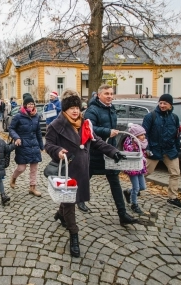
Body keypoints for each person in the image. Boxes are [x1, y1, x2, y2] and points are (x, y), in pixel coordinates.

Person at [45, 89, 124, 257]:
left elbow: (97, 142)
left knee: (69, 200)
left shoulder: (86, 124)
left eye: (77, 107)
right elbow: (48, 144)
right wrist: (57, 151)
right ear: (64, 109)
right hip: (67, 170)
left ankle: (60, 214)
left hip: (82, 169)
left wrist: (113, 151)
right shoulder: (55, 126)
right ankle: (74, 235)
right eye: (71, 108)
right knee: (70, 201)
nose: (75, 111)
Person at [83, 84, 138, 225]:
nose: (110, 96)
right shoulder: (92, 110)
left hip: (109, 152)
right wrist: (107, 131)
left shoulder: (112, 108)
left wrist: (114, 146)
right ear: (99, 95)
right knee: (82, 181)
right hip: (95, 154)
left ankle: (123, 215)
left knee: (115, 183)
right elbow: (90, 129)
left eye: (111, 93)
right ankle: (63, 210)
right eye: (106, 93)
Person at [142, 94, 181, 209]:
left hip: (170, 150)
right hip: (154, 149)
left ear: (170, 105)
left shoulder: (174, 118)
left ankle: (173, 198)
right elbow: (144, 134)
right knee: (145, 172)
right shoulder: (151, 116)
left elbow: (176, 135)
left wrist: (176, 149)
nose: (162, 105)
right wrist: (147, 149)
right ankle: (134, 190)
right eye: (160, 103)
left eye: (165, 103)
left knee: (175, 173)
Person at [8, 93, 44, 197]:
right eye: (28, 104)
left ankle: (32, 188)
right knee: (21, 168)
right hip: (22, 145)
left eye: (32, 104)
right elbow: (11, 128)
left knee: (34, 168)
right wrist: (17, 137)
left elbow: (38, 132)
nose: (30, 106)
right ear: (24, 105)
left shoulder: (36, 116)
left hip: (34, 145)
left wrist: (41, 146)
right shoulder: (19, 116)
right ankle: (14, 178)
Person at [122, 124, 148, 214]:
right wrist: (134, 148)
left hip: (140, 167)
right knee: (136, 187)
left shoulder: (142, 143)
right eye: (141, 135)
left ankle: (128, 191)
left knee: (142, 187)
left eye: (144, 134)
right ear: (135, 135)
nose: (143, 136)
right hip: (132, 168)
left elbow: (143, 152)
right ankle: (134, 204)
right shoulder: (130, 143)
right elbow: (128, 152)